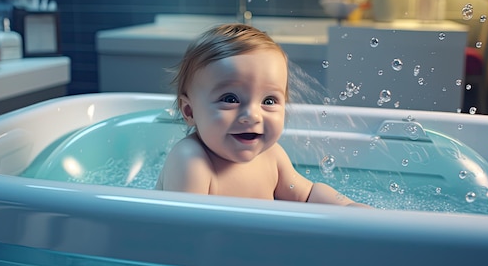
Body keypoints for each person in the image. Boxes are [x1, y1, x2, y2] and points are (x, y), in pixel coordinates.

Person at [155, 23, 370, 207]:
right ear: (189, 111)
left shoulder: (271, 156)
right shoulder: (191, 161)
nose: (252, 115)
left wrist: (348, 206)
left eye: (269, 101)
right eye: (230, 99)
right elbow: (185, 232)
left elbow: (306, 195)